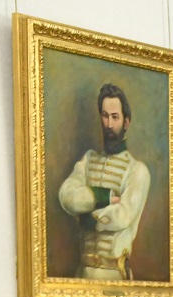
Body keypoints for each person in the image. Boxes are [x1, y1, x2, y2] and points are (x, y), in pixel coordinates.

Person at [57, 83, 150, 281]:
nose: (109, 124)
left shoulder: (137, 171)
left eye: (115, 117)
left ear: (126, 122)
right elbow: (66, 196)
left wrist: (88, 219)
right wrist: (103, 197)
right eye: (105, 116)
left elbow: (123, 215)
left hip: (115, 276)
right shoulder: (88, 160)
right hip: (82, 275)